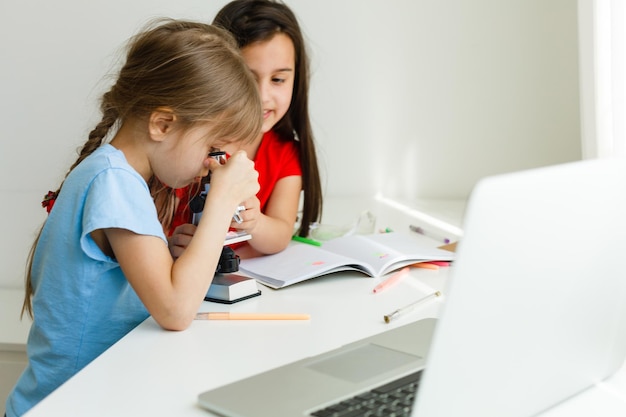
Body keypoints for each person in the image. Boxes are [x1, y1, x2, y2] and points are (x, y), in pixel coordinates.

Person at [5, 19, 261, 417]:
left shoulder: (117, 176)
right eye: (212, 148)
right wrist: (222, 203)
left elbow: (150, 292)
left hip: (97, 393)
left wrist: (182, 258)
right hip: (70, 405)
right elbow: (175, 311)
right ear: (162, 124)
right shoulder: (114, 182)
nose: (211, 166)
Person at [167, 0, 323, 259]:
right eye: (247, 79)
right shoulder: (185, 143)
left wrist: (256, 222)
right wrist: (167, 246)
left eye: (278, 79)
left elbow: (281, 233)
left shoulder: (285, 153)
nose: (262, 96)